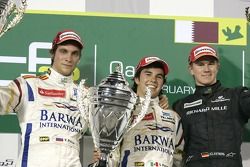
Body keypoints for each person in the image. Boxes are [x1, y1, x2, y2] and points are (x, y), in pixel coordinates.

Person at [0, 30, 87, 167]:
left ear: (79, 58)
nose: (68, 58)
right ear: (52, 53)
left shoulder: (85, 95)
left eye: (74, 53)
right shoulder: (28, 84)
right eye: (63, 51)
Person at [90, 56, 184, 167]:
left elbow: (178, 157)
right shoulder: (124, 112)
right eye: (148, 74)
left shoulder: (173, 117)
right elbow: (113, 157)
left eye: (159, 76)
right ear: (137, 79)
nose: (153, 80)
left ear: (163, 82)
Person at [173, 44, 250, 167]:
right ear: (191, 69)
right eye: (200, 64)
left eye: (211, 63)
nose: (206, 69)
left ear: (217, 67)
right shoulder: (180, 105)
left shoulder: (236, 96)